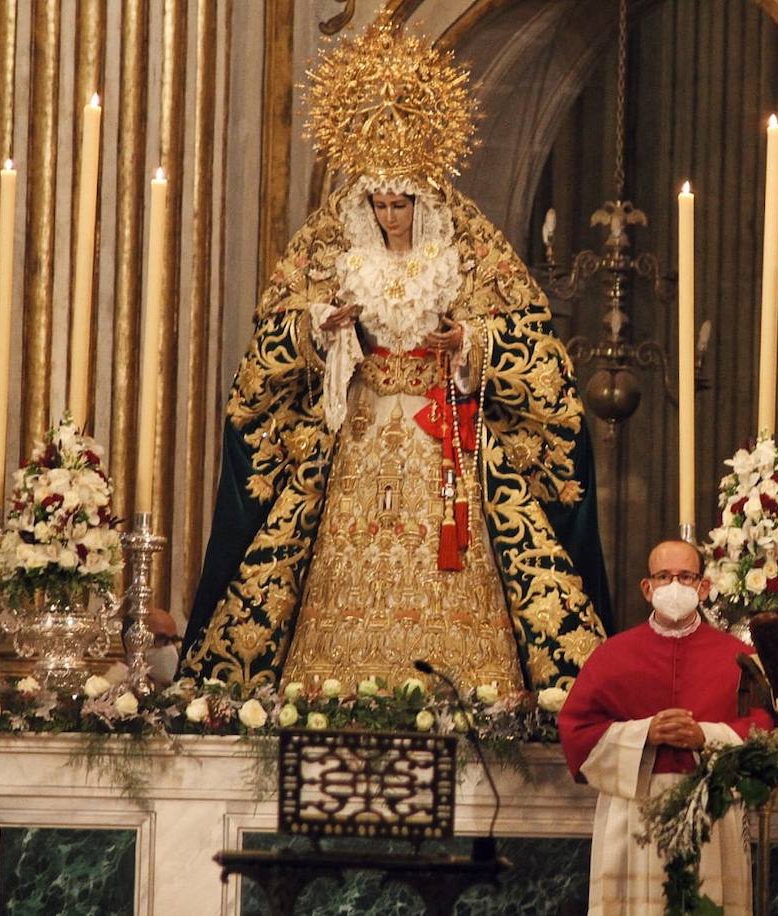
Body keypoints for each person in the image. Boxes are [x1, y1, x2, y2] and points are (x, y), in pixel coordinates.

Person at [178, 19, 609, 694]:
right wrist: (323, 331)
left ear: (424, 197)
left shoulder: (471, 254)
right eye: (379, 204)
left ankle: (474, 693)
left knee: (461, 563)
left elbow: (539, 353)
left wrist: (470, 343)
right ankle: (326, 691)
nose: (391, 216)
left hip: (446, 447)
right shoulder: (330, 249)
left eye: (402, 203)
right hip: (360, 435)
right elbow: (267, 351)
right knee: (334, 562)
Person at [558, 539, 774, 914]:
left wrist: (705, 736)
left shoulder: (740, 659)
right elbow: (577, 732)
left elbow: (767, 728)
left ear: (704, 587)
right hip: (635, 810)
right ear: (647, 587)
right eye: (664, 576)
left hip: (711, 809)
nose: (675, 586)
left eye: (686, 577)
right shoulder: (613, 655)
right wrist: (645, 734)